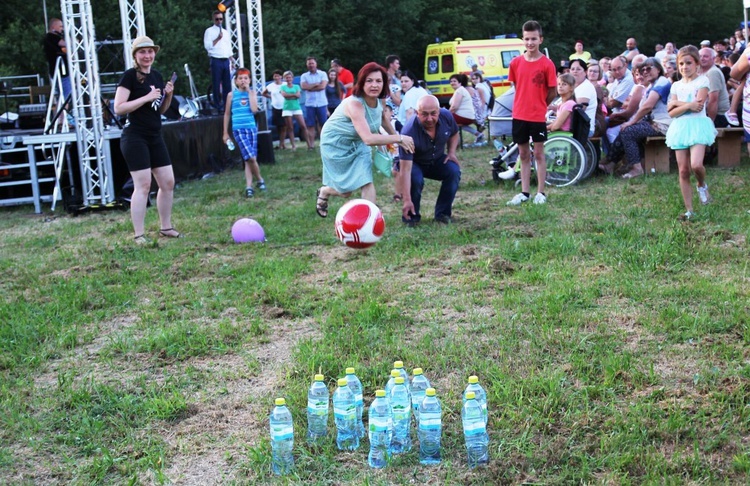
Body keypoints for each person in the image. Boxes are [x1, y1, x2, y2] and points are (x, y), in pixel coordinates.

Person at [315, 62, 415, 217]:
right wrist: (399, 138)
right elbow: (368, 139)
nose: (374, 85)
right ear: (361, 82)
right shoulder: (355, 104)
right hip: (336, 143)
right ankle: (325, 191)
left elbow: (381, 117)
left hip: (358, 140)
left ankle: (370, 219)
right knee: (345, 192)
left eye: (378, 81)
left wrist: (394, 140)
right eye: (369, 81)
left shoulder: (379, 99)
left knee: (366, 180)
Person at [114, 36, 179, 244]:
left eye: (150, 51)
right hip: (134, 137)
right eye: (143, 52)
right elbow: (119, 107)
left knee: (168, 182)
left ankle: (166, 227)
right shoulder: (129, 77)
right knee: (143, 185)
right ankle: (139, 234)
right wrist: (145, 98)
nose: (147, 55)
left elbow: (159, 109)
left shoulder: (157, 76)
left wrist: (168, 95)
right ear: (135, 55)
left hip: (154, 135)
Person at [506, 20, 557, 206]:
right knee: (523, 154)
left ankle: (541, 192)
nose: (530, 43)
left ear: (540, 39)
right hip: (519, 115)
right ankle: (524, 192)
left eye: (534, 39)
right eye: (527, 39)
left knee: (539, 153)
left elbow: (552, 90)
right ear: (523, 39)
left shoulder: (547, 64)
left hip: (537, 116)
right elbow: (517, 86)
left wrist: (541, 104)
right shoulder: (515, 63)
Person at [665, 45, 716, 221]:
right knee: (683, 170)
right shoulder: (676, 86)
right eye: (681, 64)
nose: (684, 67)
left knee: (696, 164)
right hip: (680, 128)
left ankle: (701, 184)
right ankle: (689, 209)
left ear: (696, 64)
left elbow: (698, 106)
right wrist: (686, 105)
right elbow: (670, 112)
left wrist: (677, 105)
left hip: (697, 126)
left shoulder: (702, 81)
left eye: (688, 63)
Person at [398, 95, 461, 225]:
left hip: (436, 160)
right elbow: (405, 170)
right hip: (414, 163)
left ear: (439, 111)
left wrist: (451, 152)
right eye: (424, 114)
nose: (430, 119)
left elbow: (455, 133)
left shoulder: (446, 116)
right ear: (417, 113)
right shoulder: (408, 132)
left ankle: (443, 214)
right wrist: (406, 200)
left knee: (453, 171)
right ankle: (411, 216)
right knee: (415, 178)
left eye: (433, 114)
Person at [607, 58, 672, 179]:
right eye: (642, 70)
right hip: (653, 123)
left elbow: (647, 106)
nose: (645, 72)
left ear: (658, 69)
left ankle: (636, 168)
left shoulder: (662, 82)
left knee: (628, 131)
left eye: (648, 68)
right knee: (625, 129)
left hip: (662, 125)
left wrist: (631, 122)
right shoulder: (651, 85)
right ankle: (610, 163)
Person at [223, 68, 266, 198]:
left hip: (251, 128)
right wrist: (225, 133)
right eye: (240, 78)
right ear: (236, 81)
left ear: (250, 80)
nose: (243, 81)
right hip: (238, 129)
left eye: (246, 78)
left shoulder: (252, 93)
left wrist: (249, 92)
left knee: (249, 158)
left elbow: (254, 110)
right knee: (250, 157)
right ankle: (260, 179)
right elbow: (226, 114)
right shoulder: (231, 95)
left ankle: (249, 186)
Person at [203, 10, 233, 114]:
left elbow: (228, 48)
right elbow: (207, 46)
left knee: (227, 85)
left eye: (221, 19)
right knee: (216, 84)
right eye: (217, 19)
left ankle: (227, 106)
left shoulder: (226, 32)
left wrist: (232, 60)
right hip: (216, 59)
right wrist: (217, 39)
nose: (219, 21)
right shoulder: (209, 31)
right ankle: (218, 106)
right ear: (213, 19)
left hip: (225, 60)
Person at [698, 48, 731, 127]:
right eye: (700, 56)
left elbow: (713, 100)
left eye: (705, 56)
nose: (702, 58)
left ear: (713, 59)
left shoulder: (713, 73)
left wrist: (710, 123)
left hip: (718, 116)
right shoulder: (702, 72)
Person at [300, 57, 328, 149]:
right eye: (309, 64)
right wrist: (316, 84)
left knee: (323, 124)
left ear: (316, 64)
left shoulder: (322, 74)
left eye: (312, 63)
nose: (311, 65)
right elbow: (303, 87)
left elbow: (322, 86)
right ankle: (311, 145)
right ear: (306, 65)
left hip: (321, 103)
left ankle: (323, 143)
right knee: (310, 125)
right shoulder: (304, 76)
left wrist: (310, 87)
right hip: (310, 104)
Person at [280, 70, 310, 151]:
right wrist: (293, 95)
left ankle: (309, 144)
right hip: (287, 108)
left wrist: (290, 95)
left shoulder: (296, 86)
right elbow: (284, 95)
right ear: (284, 79)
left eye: (290, 77)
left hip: (296, 107)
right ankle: (293, 145)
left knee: (303, 126)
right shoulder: (282, 87)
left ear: (292, 78)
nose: (288, 79)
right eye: (287, 78)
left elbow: (298, 96)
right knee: (290, 127)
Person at [43, 18, 71, 103]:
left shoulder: (54, 37)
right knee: (65, 95)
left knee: (66, 95)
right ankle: (62, 115)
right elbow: (66, 43)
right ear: (53, 27)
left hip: (63, 70)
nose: (62, 28)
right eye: (60, 26)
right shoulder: (51, 37)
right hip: (60, 71)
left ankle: (62, 115)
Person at [448, 74, 483, 142]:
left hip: (464, 116)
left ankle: (452, 141)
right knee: (457, 124)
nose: (452, 83)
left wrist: (446, 114)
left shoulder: (460, 90)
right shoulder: (460, 90)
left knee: (444, 120)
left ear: (460, 82)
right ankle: (478, 134)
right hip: (468, 116)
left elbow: (454, 107)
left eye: (454, 81)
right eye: (451, 81)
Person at [262, 70, 292, 149]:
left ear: (281, 77)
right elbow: (263, 93)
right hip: (275, 107)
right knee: (279, 126)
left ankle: (281, 144)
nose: (277, 77)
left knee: (284, 126)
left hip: (285, 107)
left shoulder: (285, 84)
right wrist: (271, 97)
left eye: (278, 76)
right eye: (275, 76)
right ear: (273, 77)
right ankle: (282, 143)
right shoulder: (270, 86)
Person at [568, 59, 598, 137]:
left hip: (583, 128)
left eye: (578, 69)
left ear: (585, 72)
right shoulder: (572, 86)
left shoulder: (586, 87)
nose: (575, 71)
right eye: (572, 69)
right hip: (573, 126)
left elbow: (577, 111)